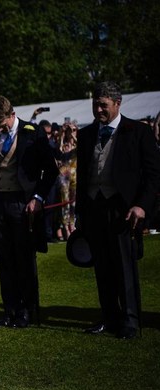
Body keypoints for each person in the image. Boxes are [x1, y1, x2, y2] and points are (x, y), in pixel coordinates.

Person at [76, 81, 160, 339]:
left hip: (123, 209)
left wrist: (142, 205)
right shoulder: (87, 134)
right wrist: (81, 211)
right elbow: (83, 174)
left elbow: (154, 174)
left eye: (104, 105)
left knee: (124, 267)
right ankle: (109, 317)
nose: (98, 110)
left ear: (117, 104)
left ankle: (131, 321)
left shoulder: (137, 131)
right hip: (94, 207)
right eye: (95, 105)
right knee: (102, 267)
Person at [0, 96, 59, 328]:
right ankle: (9, 309)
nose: (1, 130)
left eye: (3, 125)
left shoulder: (32, 132)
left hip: (23, 204)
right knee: (5, 259)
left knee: (24, 258)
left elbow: (51, 170)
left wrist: (38, 197)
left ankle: (27, 310)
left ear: (12, 114)